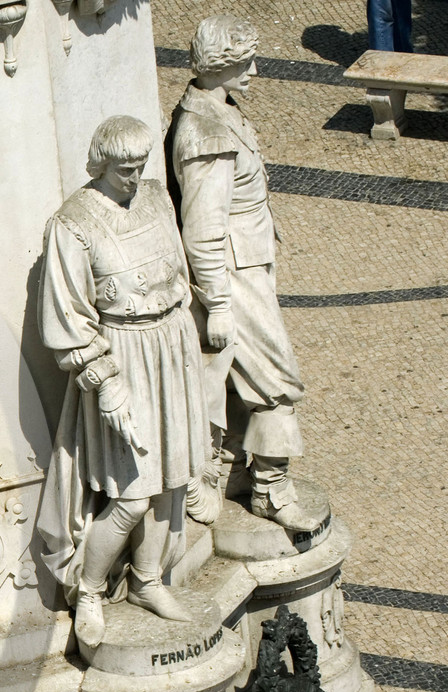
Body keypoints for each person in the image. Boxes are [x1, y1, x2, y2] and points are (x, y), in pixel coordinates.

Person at [37, 117, 211, 647]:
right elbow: (67, 317)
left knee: (173, 477)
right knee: (133, 492)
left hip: (171, 349)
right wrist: (106, 382)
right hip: (125, 357)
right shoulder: (73, 223)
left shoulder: (157, 198)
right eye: (124, 171)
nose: (134, 179)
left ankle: (148, 579)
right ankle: (88, 590)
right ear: (101, 164)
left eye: (139, 168)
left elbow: (180, 272)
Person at [168, 16, 327, 532]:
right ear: (220, 66)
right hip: (233, 276)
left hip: (249, 265)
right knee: (278, 380)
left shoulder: (221, 111)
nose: (254, 72)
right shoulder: (206, 133)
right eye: (243, 64)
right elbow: (202, 231)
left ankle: (241, 471)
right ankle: (271, 491)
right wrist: (216, 303)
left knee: (248, 381)